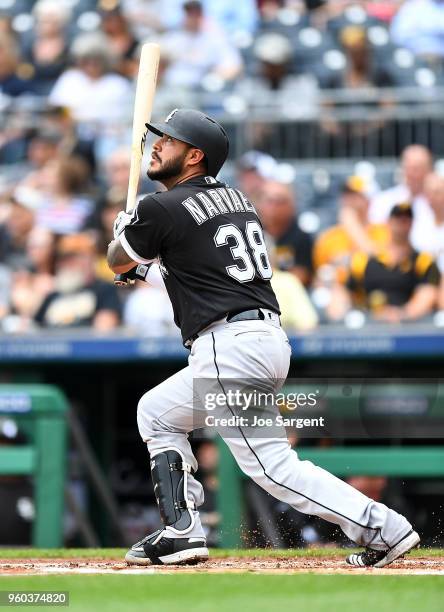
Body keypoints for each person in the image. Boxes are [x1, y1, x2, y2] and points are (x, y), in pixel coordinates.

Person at [107, 107, 420, 568]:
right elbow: (195, 275)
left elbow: (117, 259)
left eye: (168, 140)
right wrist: (142, 260)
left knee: (273, 467)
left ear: (195, 156)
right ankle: (182, 529)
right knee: (157, 412)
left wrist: (124, 235)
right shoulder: (235, 200)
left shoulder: (162, 208)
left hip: (227, 349)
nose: (156, 145)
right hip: (259, 341)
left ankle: (383, 528)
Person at [328, 203, 440, 322]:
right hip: (368, 324)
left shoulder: (423, 261)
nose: (401, 224)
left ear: (412, 223)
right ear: (388, 222)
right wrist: (340, 311)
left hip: (408, 326)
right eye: (397, 218)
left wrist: (401, 315)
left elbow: (427, 295)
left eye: (406, 219)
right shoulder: (365, 260)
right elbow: (344, 289)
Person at [314, 175, 389, 283]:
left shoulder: (383, 231)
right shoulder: (329, 237)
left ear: (368, 200)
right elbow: (320, 277)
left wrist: (352, 226)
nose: (349, 200)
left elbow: (381, 263)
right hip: (339, 293)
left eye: (355, 195)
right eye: (346, 194)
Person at [256, 180, 313, 286]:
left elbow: (300, 278)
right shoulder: (249, 233)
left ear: (291, 205)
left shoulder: (301, 238)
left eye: (279, 201)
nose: (273, 207)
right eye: (269, 200)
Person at [369, 145, 434, 224]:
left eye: (418, 169)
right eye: (409, 168)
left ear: (430, 170)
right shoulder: (384, 200)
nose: (413, 174)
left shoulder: (439, 201)